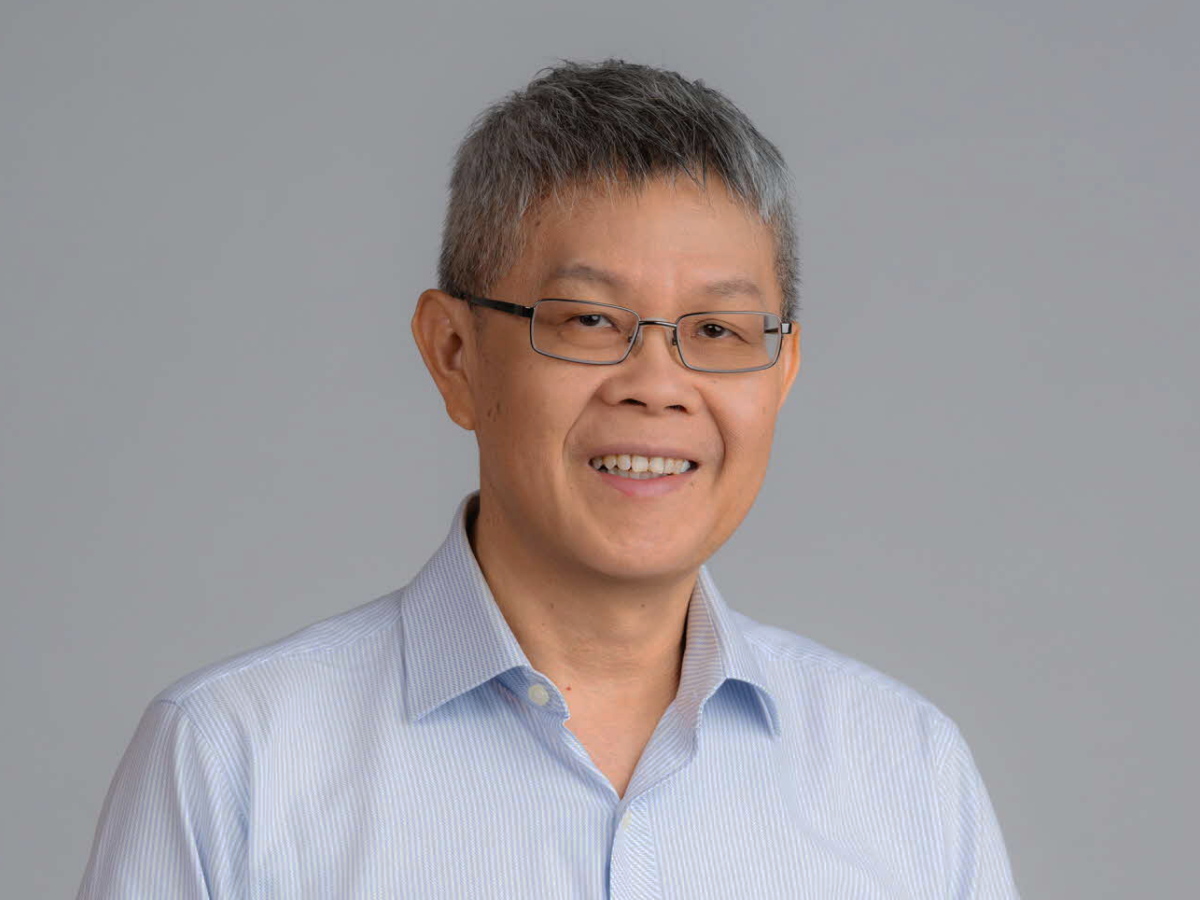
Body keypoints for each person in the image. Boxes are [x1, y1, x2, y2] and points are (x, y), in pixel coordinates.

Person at [76, 59, 1021, 899]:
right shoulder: (233, 760)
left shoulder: (907, 773)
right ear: (455, 355)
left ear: (783, 372)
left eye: (720, 332)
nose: (658, 387)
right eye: (587, 322)